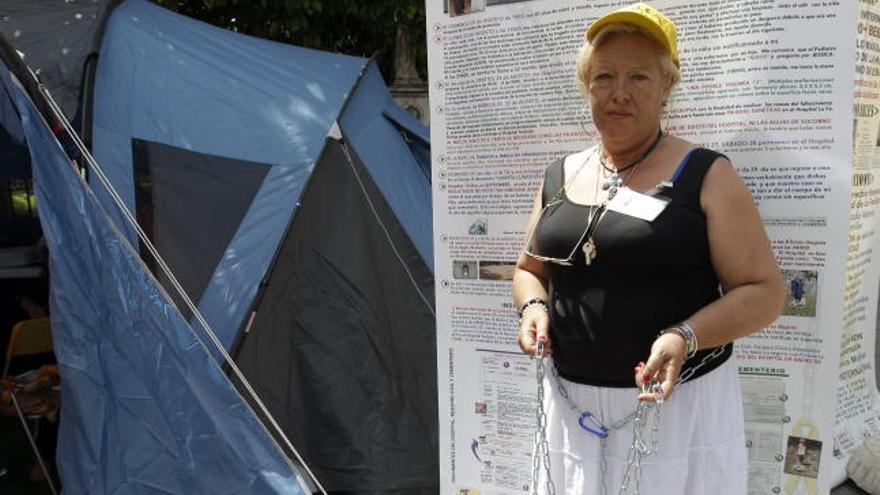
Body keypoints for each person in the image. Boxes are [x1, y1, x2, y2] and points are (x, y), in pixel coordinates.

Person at [511, 3, 785, 494]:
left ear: (666, 88)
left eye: (639, 77)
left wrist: (685, 335)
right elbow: (529, 269)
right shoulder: (560, 174)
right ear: (586, 86)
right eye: (604, 77)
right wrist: (532, 305)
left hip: (674, 411)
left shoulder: (706, 174)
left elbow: (764, 292)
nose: (619, 93)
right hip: (571, 408)